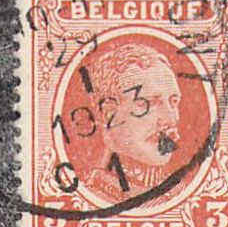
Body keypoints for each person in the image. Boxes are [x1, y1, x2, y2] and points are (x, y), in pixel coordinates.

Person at [76, 42, 184, 204]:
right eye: (148, 103)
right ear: (109, 113)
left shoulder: (179, 193)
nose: (170, 119)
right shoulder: (89, 200)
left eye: (174, 102)